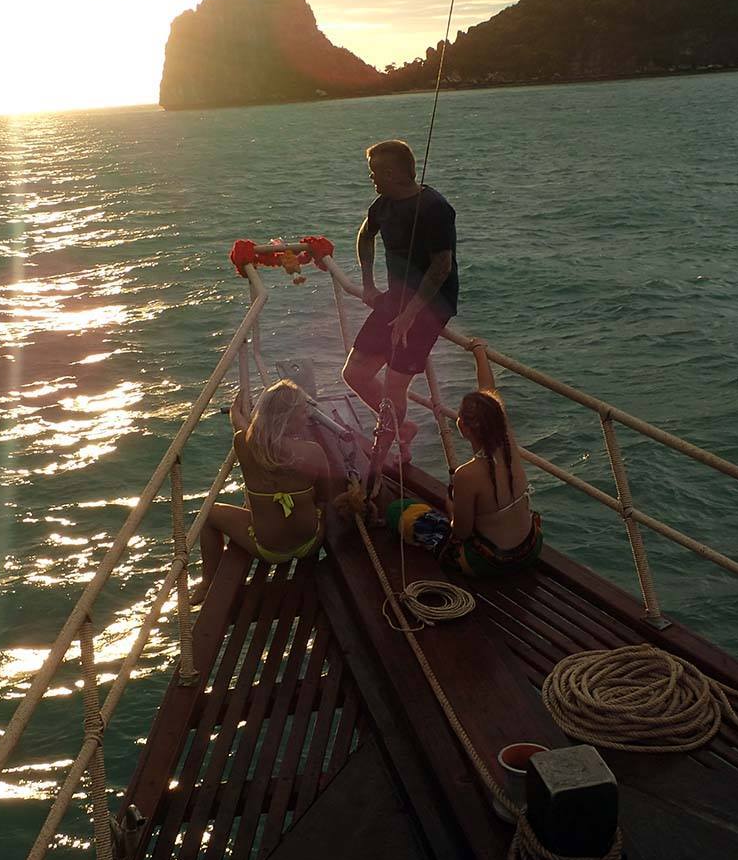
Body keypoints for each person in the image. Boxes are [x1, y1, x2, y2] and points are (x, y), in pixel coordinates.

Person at [342, 139, 459, 463]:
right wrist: (368, 285)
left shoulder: (435, 207)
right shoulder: (383, 205)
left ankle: (382, 452)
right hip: (396, 299)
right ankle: (401, 427)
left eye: (374, 173)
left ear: (392, 173)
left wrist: (410, 313)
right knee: (354, 373)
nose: (371, 180)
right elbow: (366, 236)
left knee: (395, 386)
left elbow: (442, 266)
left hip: (431, 304)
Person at [391, 339, 542, 577]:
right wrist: (480, 354)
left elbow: (460, 533)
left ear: (463, 427)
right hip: (531, 548)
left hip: (490, 562)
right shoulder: (508, 441)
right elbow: (489, 392)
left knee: (400, 511)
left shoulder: (466, 475)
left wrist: (452, 506)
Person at [194, 380, 332, 604]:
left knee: (210, 514)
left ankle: (208, 581)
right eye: (301, 412)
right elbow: (326, 495)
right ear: (287, 419)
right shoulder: (313, 452)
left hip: (269, 549)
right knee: (316, 500)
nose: (307, 416)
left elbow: (247, 434)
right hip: (310, 541)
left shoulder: (244, 444)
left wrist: (237, 417)